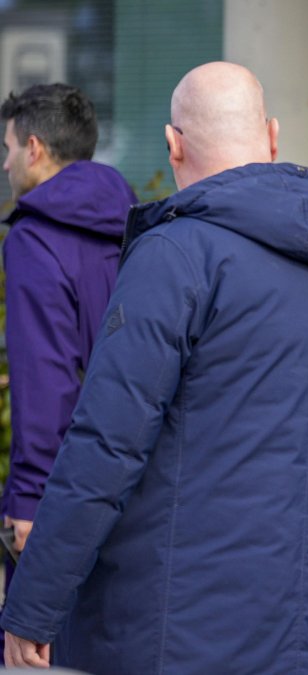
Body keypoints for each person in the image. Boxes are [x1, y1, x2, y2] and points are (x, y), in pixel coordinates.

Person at [0, 62, 308, 674]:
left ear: (174, 145)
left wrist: (32, 606)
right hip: (293, 630)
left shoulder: (173, 258)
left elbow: (104, 447)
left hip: (163, 632)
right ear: (274, 137)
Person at [0, 84, 136, 571]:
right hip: (133, 485)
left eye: (8, 148)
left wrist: (29, 500)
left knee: (29, 646)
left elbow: (46, 375)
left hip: (64, 493)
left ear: (34, 148)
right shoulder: (137, 226)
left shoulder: (34, 238)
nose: (5, 164)